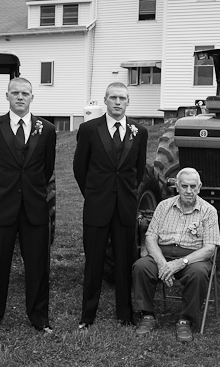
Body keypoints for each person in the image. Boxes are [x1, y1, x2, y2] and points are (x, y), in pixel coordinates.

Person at [0, 77, 57, 335]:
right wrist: (2, 190)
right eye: (15, 93)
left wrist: (30, 190)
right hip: (2, 207)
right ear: (8, 97)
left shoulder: (47, 129)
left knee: (37, 266)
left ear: (32, 97)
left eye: (25, 93)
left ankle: (39, 317)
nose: (20, 97)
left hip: (34, 208)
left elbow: (46, 169)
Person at [73, 82, 148, 328]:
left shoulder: (139, 131)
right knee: (93, 261)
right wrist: (93, 194)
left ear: (128, 102)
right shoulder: (89, 129)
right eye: (113, 98)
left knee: (125, 260)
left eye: (122, 98)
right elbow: (79, 168)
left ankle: (124, 313)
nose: (118, 102)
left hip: (125, 207)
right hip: (97, 206)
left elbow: (138, 171)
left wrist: (125, 193)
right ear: (105, 100)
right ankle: (88, 315)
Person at [132, 167, 220, 342]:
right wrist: (162, 264)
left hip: (194, 257)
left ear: (200, 187)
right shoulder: (163, 206)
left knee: (198, 273)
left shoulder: (209, 211)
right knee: (141, 266)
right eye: (184, 186)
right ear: (177, 186)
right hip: (162, 253)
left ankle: (185, 320)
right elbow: (150, 238)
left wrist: (180, 262)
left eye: (193, 186)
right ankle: (147, 315)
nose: (189, 191)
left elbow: (210, 248)